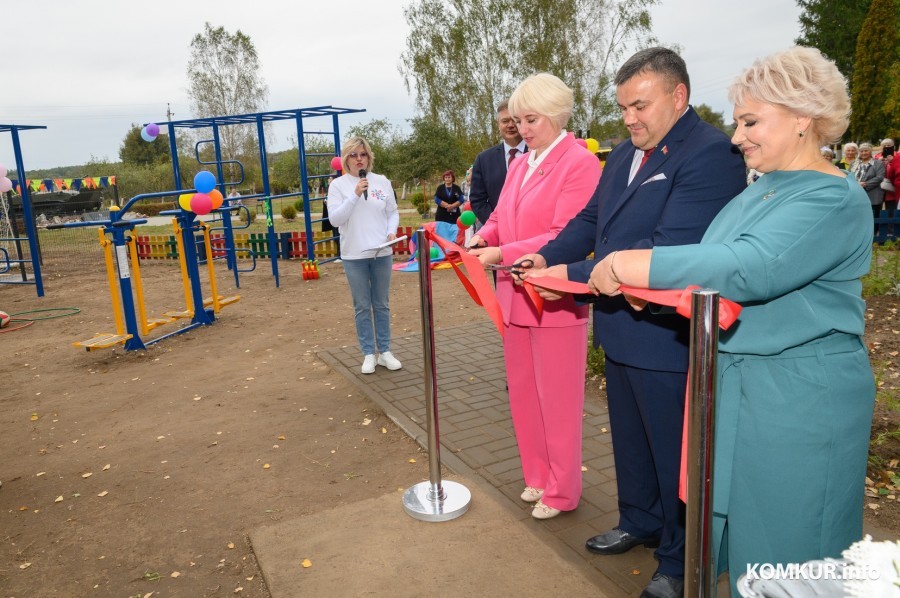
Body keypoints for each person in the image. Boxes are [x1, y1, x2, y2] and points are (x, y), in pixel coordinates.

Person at [555, 46, 874, 597]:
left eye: (751, 121)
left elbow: (749, 267)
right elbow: (705, 274)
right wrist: (648, 292)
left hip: (797, 400)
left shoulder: (832, 197)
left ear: (802, 117)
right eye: (737, 122)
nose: (737, 137)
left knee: (793, 552)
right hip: (737, 389)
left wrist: (636, 265)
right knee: (743, 543)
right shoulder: (761, 191)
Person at [513, 47, 747, 598]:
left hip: (668, 336)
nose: (629, 119)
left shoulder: (710, 154)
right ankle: (638, 519)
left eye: (639, 106)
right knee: (631, 441)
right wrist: (546, 257)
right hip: (620, 327)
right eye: (623, 108)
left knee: (674, 455)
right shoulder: (623, 154)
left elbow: (669, 247)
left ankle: (679, 557)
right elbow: (593, 219)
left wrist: (570, 271)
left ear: (678, 96)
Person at [467, 72, 602, 521]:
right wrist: (478, 238)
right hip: (513, 293)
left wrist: (501, 251)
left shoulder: (579, 163)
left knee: (558, 399)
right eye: (518, 119)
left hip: (554, 295)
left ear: (557, 115)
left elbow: (565, 235)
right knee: (524, 393)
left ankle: (564, 490)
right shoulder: (522, 162)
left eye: (531, 119)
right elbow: (502, 217)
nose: (522, 129)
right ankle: (538, 475)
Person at [326, 137, 402, 374]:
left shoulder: (381, 181)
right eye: (354, 155)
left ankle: (385, 351)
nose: (360, 159)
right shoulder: (338, 186)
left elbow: (393, 212)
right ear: (346, 159)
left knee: (381, 304)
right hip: (354, 255)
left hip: (381, 252)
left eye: (364, 154)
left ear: (369, 157)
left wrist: (391, 232)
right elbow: (335, 220)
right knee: (362, 305)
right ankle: (368, 353)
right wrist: (355, 194)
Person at [469, 100, 527, 227]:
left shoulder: (539, 153)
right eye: (505, 121)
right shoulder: (483, 159)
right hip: (496, 234)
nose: (510, 125)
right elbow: (477, 200)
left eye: (514, 120)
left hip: (532, 232)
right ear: (498, 124)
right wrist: (498, 226)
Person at [853, 142, 885, 234]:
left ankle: (874, 234)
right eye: (861, 151)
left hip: (873, 194)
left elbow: (879, 177)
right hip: (857, 194)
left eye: (866, 151)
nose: (863, 153)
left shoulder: (878, 163)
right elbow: (849, 175)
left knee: (873, 216)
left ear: (870, 152)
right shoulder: (855, 163)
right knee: (859, 216)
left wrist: (865, 184)